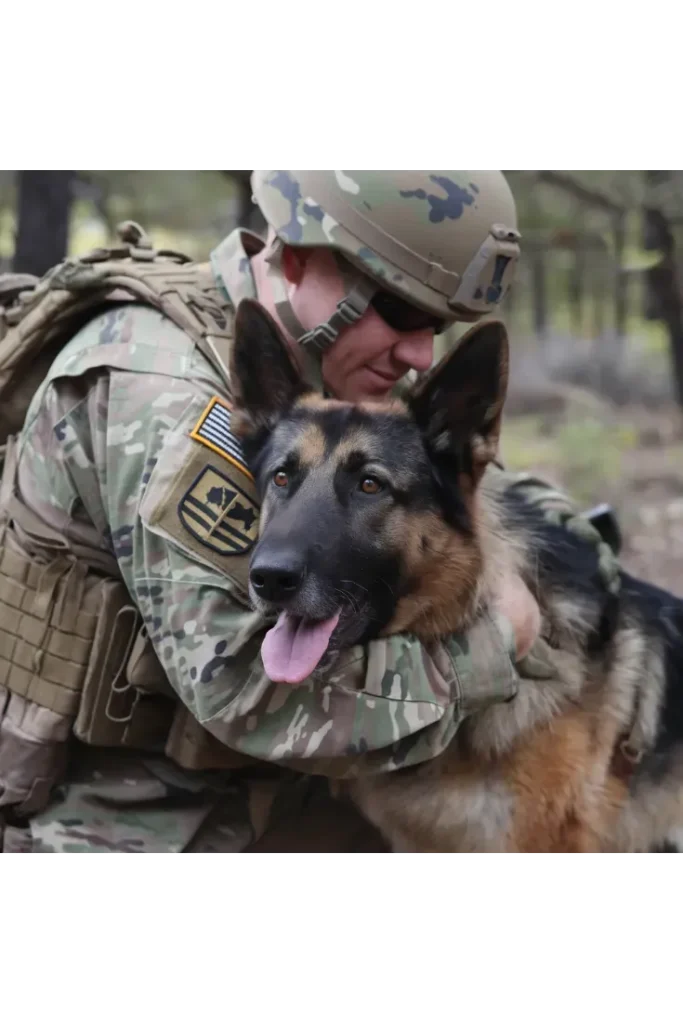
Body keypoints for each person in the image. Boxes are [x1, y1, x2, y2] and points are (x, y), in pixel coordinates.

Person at [0, 168, 581, 856]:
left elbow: (450, 482)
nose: (420, 353)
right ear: (302, 258)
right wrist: (490, 648)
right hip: (128, 811)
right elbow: (249, 694)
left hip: (284, 790)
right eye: (399, 310)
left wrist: (574, 541)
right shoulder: (162, 393)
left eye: (437, 326)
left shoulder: (321, 354)